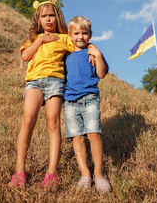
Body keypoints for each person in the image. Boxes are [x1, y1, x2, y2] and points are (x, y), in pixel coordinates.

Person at [10, 0, 74, 188]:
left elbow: (79, 45)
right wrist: (41, 41)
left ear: (58, 18)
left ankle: (51, 173)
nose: (47, 19)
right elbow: (25, 55)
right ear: (38, 20)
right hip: (34, 82)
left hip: (55, 81)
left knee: (53, 122)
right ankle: (20, 170)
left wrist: (93, 51)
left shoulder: (64, 38)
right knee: (28, 119)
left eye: (51, 16)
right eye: (43, 16)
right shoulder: (33, 38)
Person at [64, 16, 111, 193]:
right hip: (70, 102)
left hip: (90, 98)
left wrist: (98, 55)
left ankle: (98, 175)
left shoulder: (93, 53)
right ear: (70, 35)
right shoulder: (67, 56)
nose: (80, 37)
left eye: (84, 33)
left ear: (90, 35)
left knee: (94, 134)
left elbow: (101, 74)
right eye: (76, 33)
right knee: (76, 137)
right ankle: (85, 175)